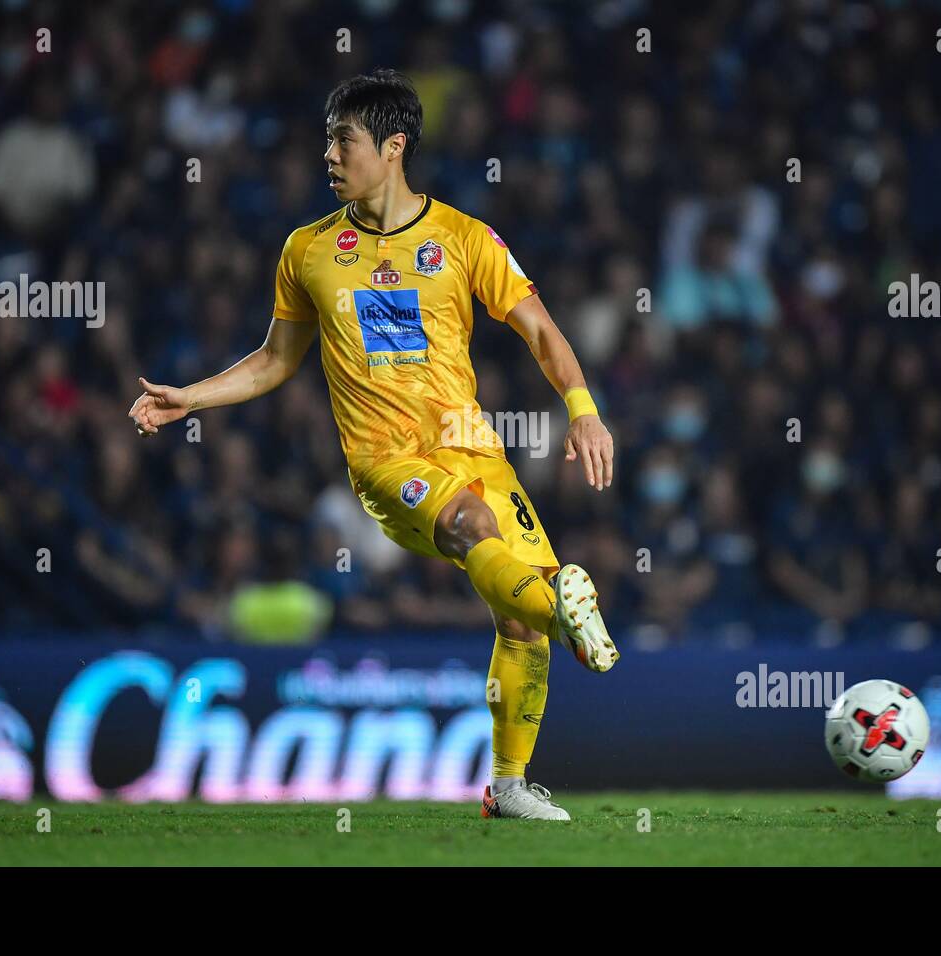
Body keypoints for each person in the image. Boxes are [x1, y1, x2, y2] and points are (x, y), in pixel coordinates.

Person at [128, 69, 618, 820]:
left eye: (342, 140)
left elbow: (542, 331)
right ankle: (565, 606)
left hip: (474, 448)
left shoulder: (463, 238)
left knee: (517, 621)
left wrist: (581, 410)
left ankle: (510, 787)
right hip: (385, 462)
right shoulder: (308, 250)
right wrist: (189, 397)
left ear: (392, 147)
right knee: (472, 530)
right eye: (326, 139)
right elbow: (274, 361)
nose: (327, 154)